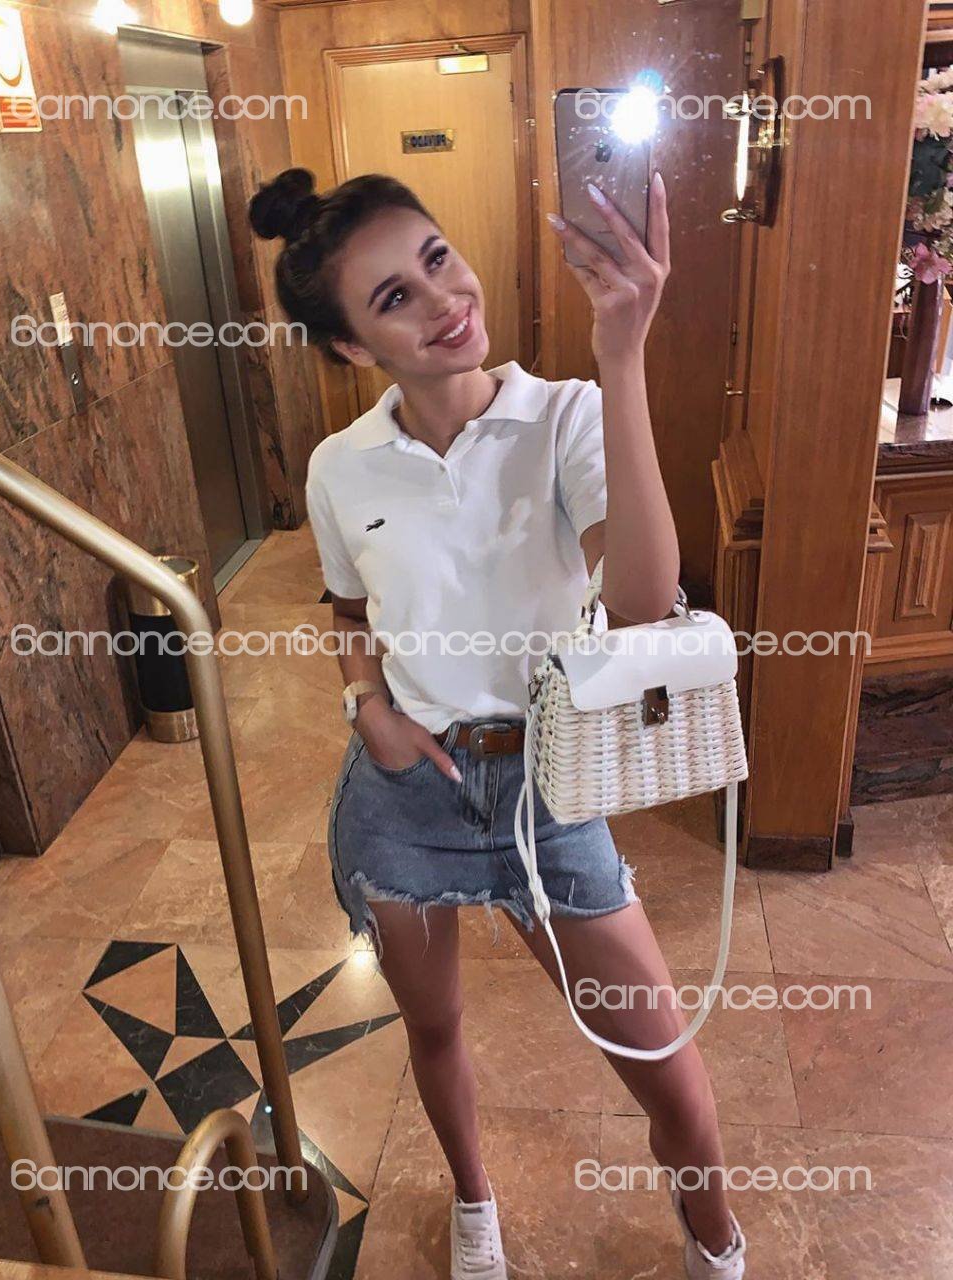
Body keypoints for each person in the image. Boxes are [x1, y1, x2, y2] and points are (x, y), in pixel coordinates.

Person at [249, 167, 747, 1280]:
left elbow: (639, 606)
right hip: (406, 796)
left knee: (663, 1060)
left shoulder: (566, 415)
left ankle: (717, 1237)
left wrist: (623, 357)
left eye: (436, 258)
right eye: (394, 298)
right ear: (350, 347)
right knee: (433, 1028)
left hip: (551, 790)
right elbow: (346, 611)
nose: (443, 300)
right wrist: (366, 709)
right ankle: (475, 1199)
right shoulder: (339, 468)